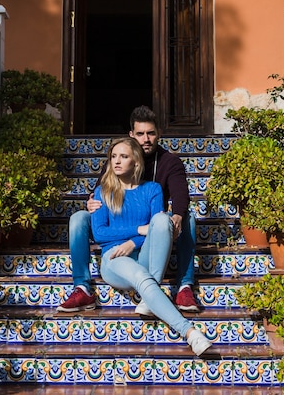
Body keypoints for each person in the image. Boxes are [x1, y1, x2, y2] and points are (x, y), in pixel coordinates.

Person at [58, 105, 198, 313]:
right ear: (131, 135)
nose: (146, 139)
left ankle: (184, 286)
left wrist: (176, 215)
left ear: (159, 133)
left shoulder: (169, 162)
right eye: (140, 134)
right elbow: (100, 189)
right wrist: (91, 201)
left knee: (188, 218)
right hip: (123, 221)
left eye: (151, 133)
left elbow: (180, 195)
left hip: (153, 222)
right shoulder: (120, 157)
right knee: (79, 218)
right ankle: (82, 287)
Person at [89, 137, 211, 357]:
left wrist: (132, 243)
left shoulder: (153, 190)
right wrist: (137, 231)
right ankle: (190, 332)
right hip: (114, 259)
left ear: (136, 162)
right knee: (143, 277)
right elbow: (100, 233)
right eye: (114, 156)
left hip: (143, 254)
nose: (116, 161)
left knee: (164, 219)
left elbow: (156, 230)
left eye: (123, 156)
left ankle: (148, 298)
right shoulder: (103, 192)